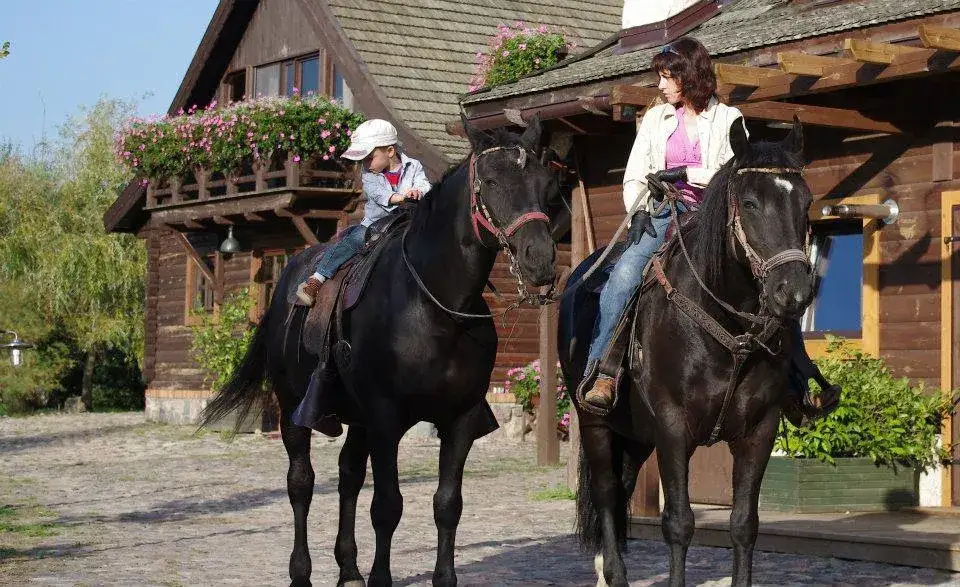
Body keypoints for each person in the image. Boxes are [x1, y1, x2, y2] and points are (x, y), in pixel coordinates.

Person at [581, 37, 839, 423]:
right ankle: (602, 372)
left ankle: (798, 384)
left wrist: (684, 172)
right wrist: (637, 209)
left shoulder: (729, 119)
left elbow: (731, 174)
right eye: (661, 78)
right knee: (621, 278)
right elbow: (636, 174)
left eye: (667, 77)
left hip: (711, 217)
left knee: (771, 285)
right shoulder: (655, 118)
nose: (661, 85)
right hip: (662, 213)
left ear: (690, 76)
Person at [296, 118, 431, 306]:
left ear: (390, 151)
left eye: (369, 158)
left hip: (409, 222)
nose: (366, 164)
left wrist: (418, 191)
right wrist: (402, 197)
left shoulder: (413, 166)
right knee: (353, 241)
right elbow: (380, 195)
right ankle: (317, 278)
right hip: (376, 226)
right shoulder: (368, 175)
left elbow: (424, 184)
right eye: (362, 160)